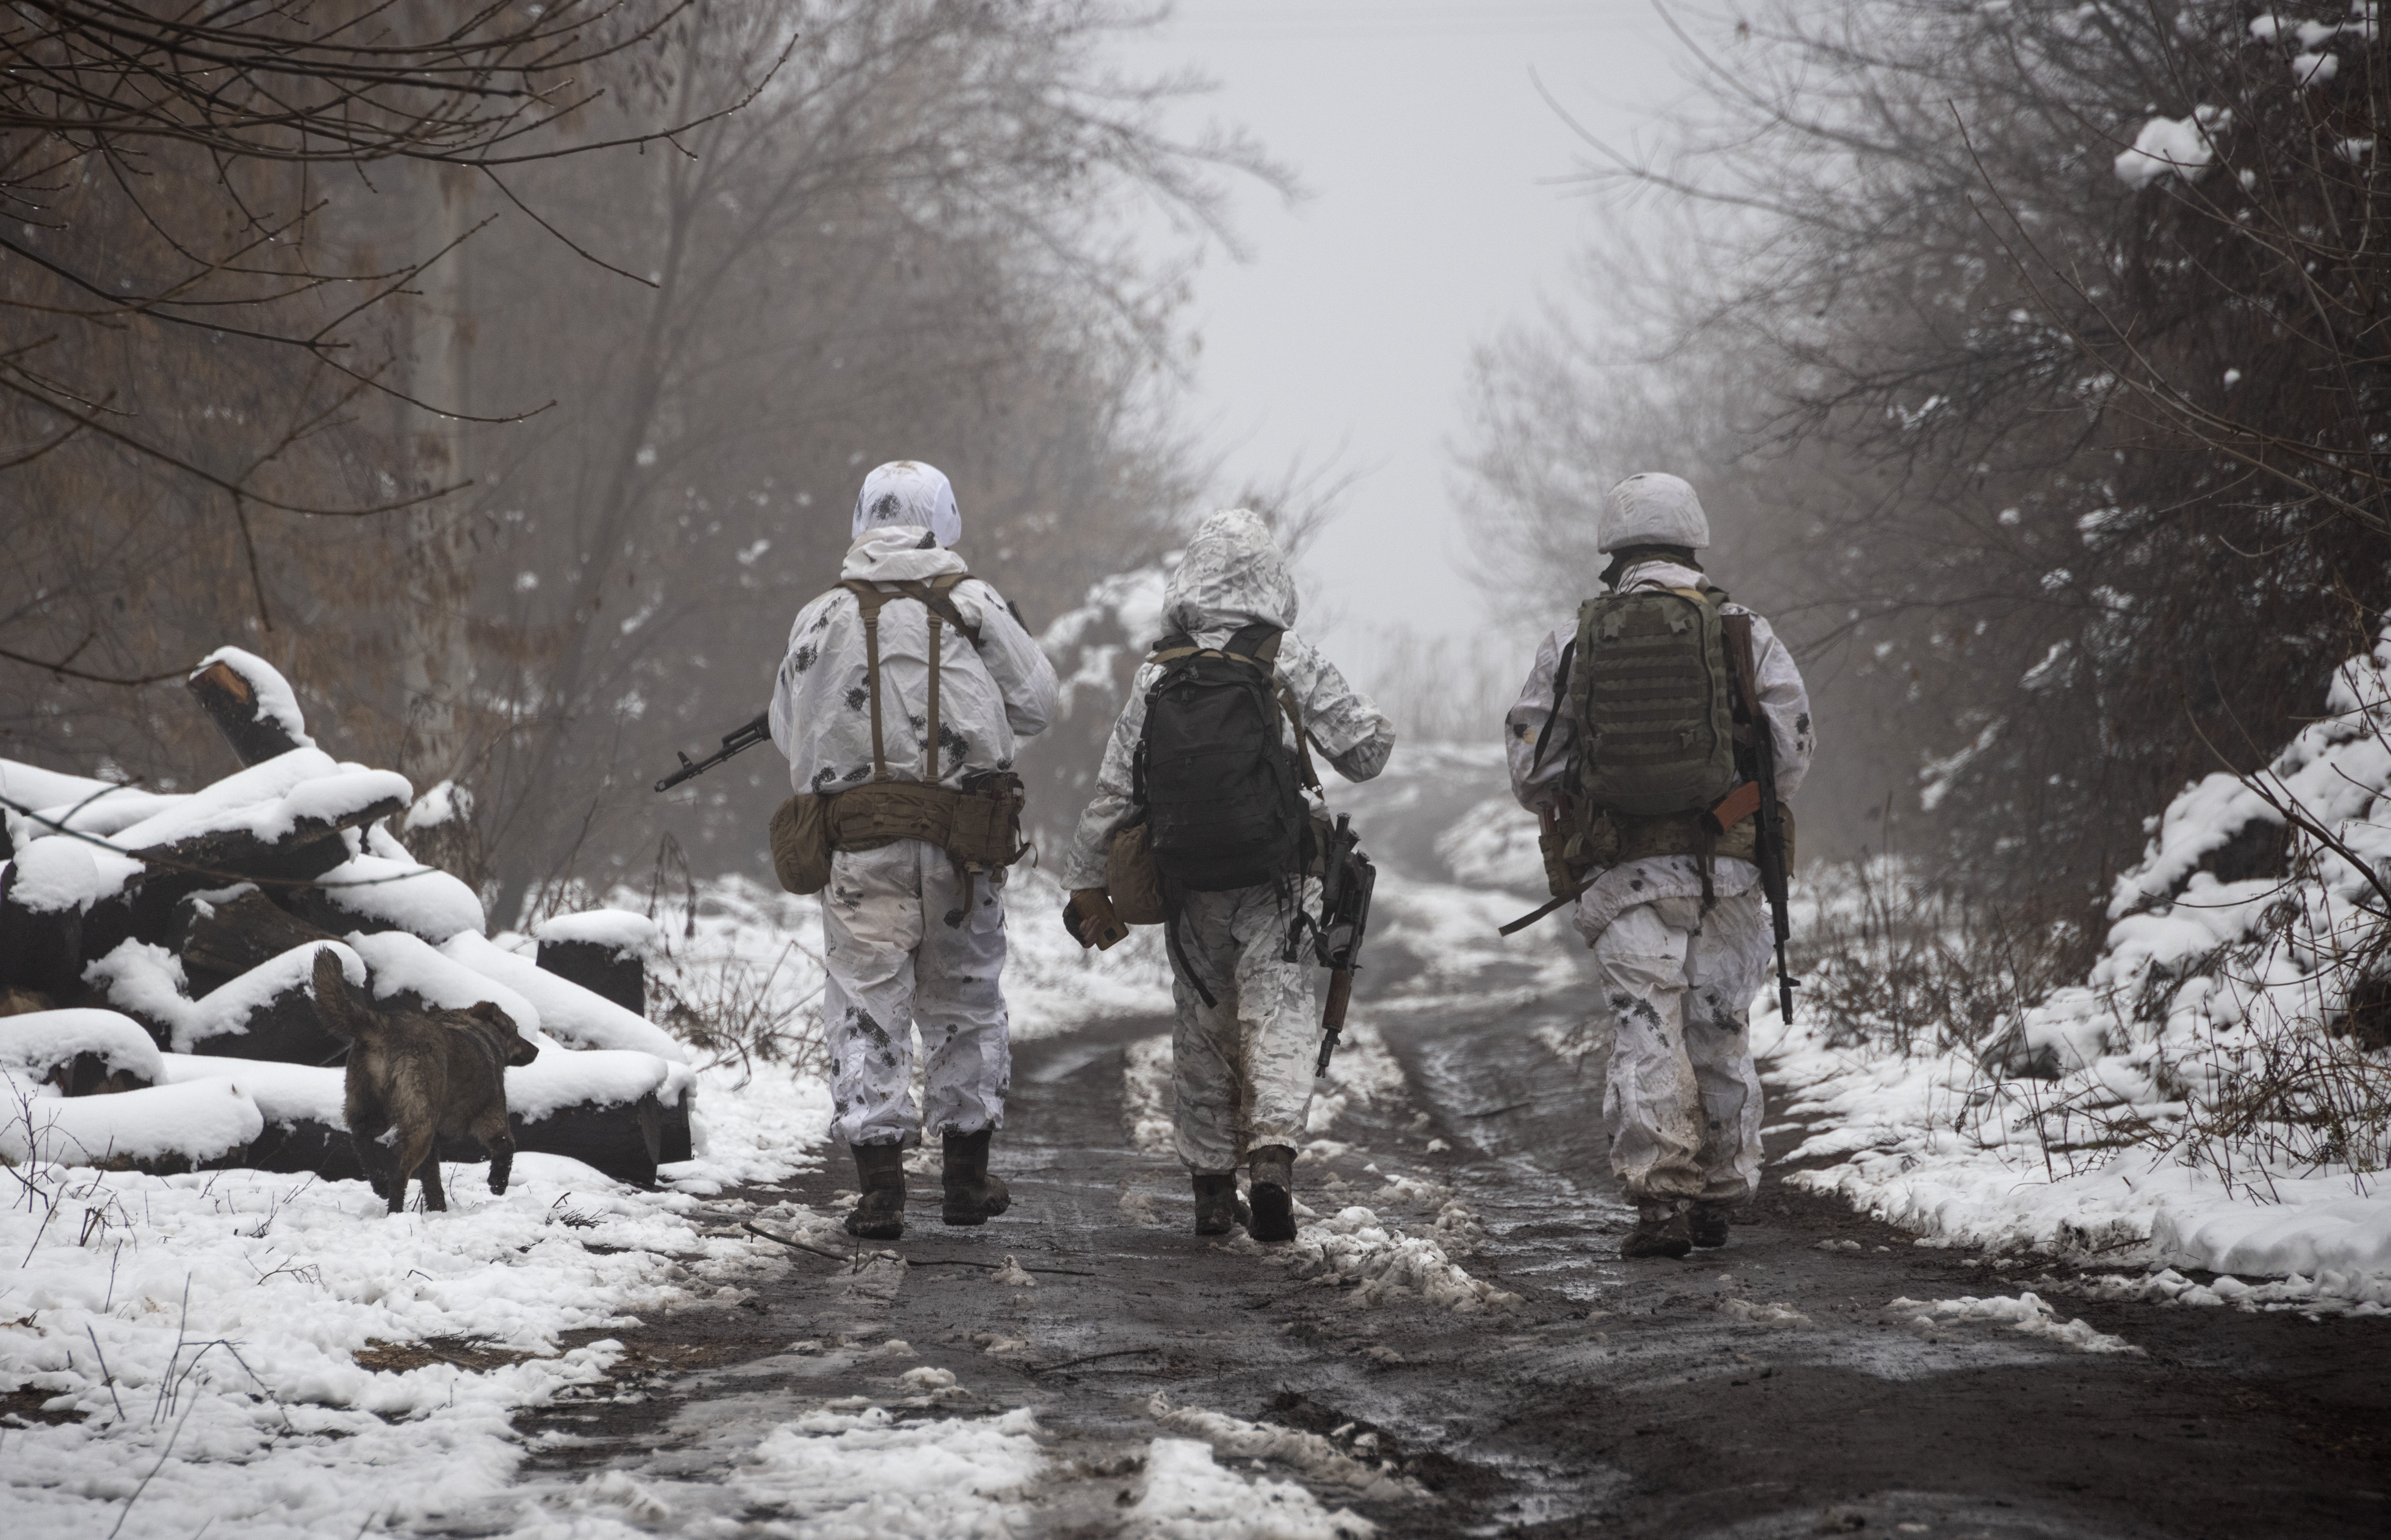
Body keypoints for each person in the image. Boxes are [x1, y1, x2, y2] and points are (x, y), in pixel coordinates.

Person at [1060, 509, 1395, 1242]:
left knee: (1202, 1023)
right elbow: (1368, 752)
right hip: (1278, 876)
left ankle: (1211, 1189)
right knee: (1275, 1009)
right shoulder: (1286, 657)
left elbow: (1114, 792)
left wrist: (1086, 881)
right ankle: (1271, 1159)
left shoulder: (1158, 673)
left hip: (1186, 879)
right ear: (1270, 579)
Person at [1504, 473, 1815, 1259]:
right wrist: (1733, 804)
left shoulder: (1576, 639)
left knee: (1647, 1026)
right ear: (1692, 539)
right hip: (1732, 870)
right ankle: (1720, 1191)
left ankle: (1661, 1201)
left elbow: (1530, 771)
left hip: (1622, 875)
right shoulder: (1743, 629)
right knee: (1719, 1024)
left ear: (1613, 548)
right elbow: (1791, 746)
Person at [769, 460, 1058, 1239]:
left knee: (867, 1006)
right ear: (945, 517)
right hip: (965, 848)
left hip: (859, 849)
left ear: (861, 516)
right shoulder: (976, 605)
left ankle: (879, 1192)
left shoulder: (819, 615)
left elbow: (784, 730)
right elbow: (1037, 706)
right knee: (965, 1004)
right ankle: (966, 1181)